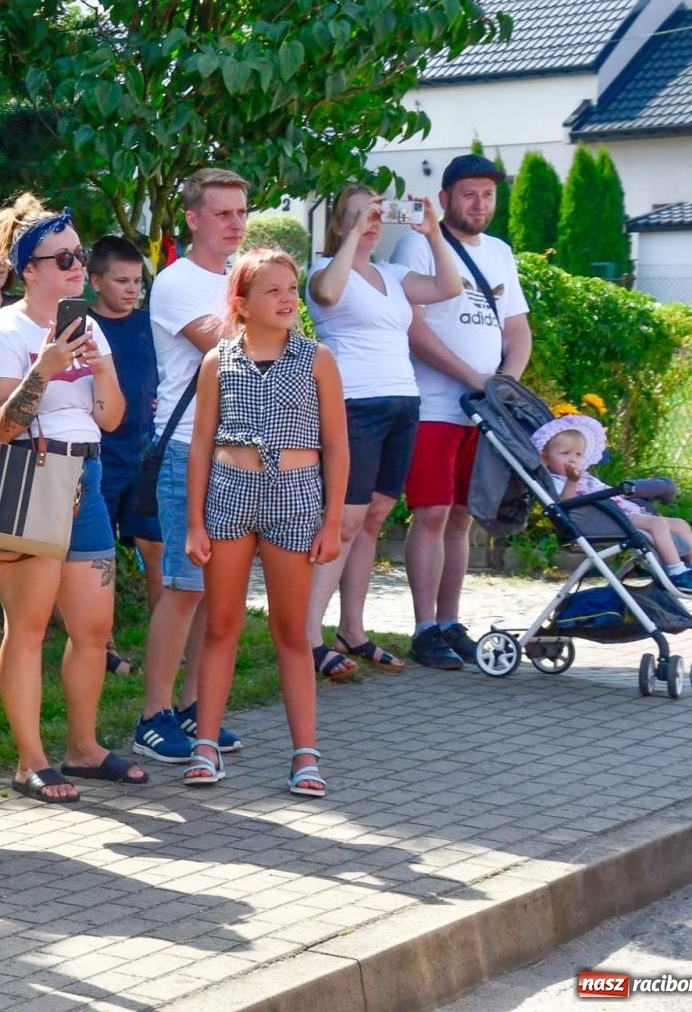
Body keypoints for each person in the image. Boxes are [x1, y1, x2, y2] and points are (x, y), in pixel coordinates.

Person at [0, 193, 146, 804]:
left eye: (80, 255)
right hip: (30, 481)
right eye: (63, 258)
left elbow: (113, 418)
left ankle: (84, 749)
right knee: (30, 626)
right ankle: (30, 761)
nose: (76, 267)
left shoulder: (89, 325)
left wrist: (102, 370)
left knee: (94, 629)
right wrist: (43, 369)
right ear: (29, 270)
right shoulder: (2, 331)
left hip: (85, 477)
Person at [183, 248, 346, 796]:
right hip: (231, 495)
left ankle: (305, 755)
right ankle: (205, 746)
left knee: (293, 631)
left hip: (296, 496)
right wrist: (194, 522)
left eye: (291, 289)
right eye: (272, 290)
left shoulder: (316, 357)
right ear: (242, 301)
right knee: (221, 624)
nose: (285, 299)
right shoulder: (218, 360)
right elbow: (200, 445)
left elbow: (337, 445)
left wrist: (330, 523)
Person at [303, 186, 464, 680]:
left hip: (402, 403)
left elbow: (449, 288)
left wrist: (434, 232)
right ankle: (307, 637)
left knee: (373, 518)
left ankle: (352, 629)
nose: (371, 224)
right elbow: (327, 295)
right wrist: (352, 233)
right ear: (339, 223)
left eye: (377, 216)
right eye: (359, 216)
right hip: (354, 405)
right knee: (345, 522)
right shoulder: (323, 270)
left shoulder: (392, 276)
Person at [390, 154, 533, 670]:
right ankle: (424, 627)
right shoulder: (418, 243)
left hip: (483, 413)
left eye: (488, 194)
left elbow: (516, 329)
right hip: (432, 404)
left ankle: (450, 623)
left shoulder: (499, 252)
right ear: (446, 197)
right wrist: (472, 378)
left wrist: (505, 383)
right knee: (429, 512)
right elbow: (411, 325)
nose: (480, 203)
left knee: (461, 516)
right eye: (469, 193)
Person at [136, 168, 248, 767]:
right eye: (223, 212)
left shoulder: (242, 279)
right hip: (186, 447)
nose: (235, 223)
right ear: (194, 219)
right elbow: (238, 350)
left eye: (241, 212)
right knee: (183, 587)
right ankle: (152, 716)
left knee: (214, 591)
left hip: (237, 453)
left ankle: (193, 708)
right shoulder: (179, 282)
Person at [533, 415, 692, 594]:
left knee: (680, 524)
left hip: (617, 511)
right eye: (565, 453)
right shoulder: (557, 481)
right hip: (602, 518)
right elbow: (566, 505)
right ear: (545, 457)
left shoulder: (584, 476)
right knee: (657, 525)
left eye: (578, 454)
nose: (573, 459)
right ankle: (677, 572)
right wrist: (572, 481)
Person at [87, 235, 161, 673]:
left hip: (146, 448)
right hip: (101, 450)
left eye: (137, 281)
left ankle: (164, 634)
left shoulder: (149, 323)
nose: (131, 290)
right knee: (101, 552)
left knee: (156, 544)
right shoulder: (85, 329)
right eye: (121, 281)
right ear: (96, 281)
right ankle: (104, 645)